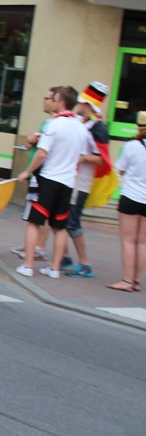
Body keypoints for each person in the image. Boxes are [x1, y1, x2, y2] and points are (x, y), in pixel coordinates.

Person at [14, 85, 91, 279]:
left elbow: (41, 154)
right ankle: (55, 268)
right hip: (67, 182)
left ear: (61, 103)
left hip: (48, 179)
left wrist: (27, 172)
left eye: (55, 99)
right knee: (60, 227)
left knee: (34, 222)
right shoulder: (81, 128)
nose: (53, 102)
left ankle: (29, 265)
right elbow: (81, 157)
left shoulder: (53, 125)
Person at [63, 81, 110, 277]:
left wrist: (82, 157)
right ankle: (64, 256)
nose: (78, 105)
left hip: (80, 183)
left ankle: (85, 264)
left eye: (81, 102)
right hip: (69, 179)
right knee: (60, 219)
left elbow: (103, 158)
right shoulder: (80, 122)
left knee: (72, 223)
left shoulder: (98, 127)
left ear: (88, 105)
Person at [12, 87, 60, 262]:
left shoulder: (54, 124)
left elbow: (46, 150)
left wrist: (35, 140)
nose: (43, 101)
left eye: (47, 98)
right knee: (33, 210)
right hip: (38, 174)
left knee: (42, 213)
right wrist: (32, 142)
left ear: (56, 102)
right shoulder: (47, 123)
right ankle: (31, 245)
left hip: (44, 173)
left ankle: (39, 247)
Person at [107, 111, 146, 291]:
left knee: (128, 240)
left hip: (131, 197)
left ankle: (127, 281)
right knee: (143, 242)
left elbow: (120, 169)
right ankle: (137, 281)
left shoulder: (132, 146)